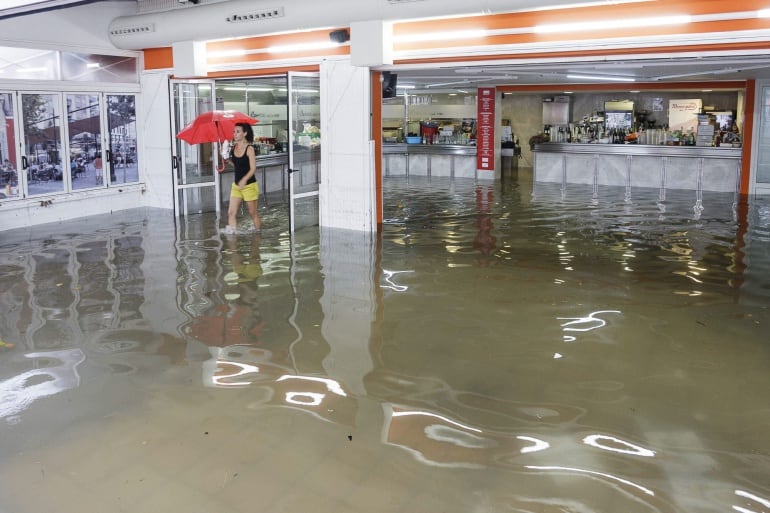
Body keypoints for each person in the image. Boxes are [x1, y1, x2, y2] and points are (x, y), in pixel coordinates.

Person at [225, 122, 261, 234]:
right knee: (231, 213)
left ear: (245, 133)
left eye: (238, 131)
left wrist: (244, 180)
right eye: (234, 132)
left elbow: (253, 168)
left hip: (249, 186)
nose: (235, 134)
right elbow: (237, 165)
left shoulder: (249, 149)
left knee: (252, 213)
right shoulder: (233, 147)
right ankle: (233, 238)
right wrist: (227, 159)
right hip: (236, 186)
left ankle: (258, 235)